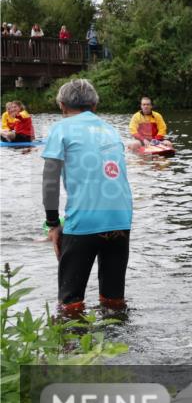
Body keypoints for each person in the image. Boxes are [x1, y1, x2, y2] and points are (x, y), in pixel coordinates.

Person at [42, 79, 133, 317]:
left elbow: (50, 179)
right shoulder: (110, 128)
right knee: (114, 302)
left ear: (62, 106)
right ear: (95, 104)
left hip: (85, 222)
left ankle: (72, 347)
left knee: (70, 305)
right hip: (120, 219)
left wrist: (52, 224)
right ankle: (119, 349)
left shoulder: (61, 129)